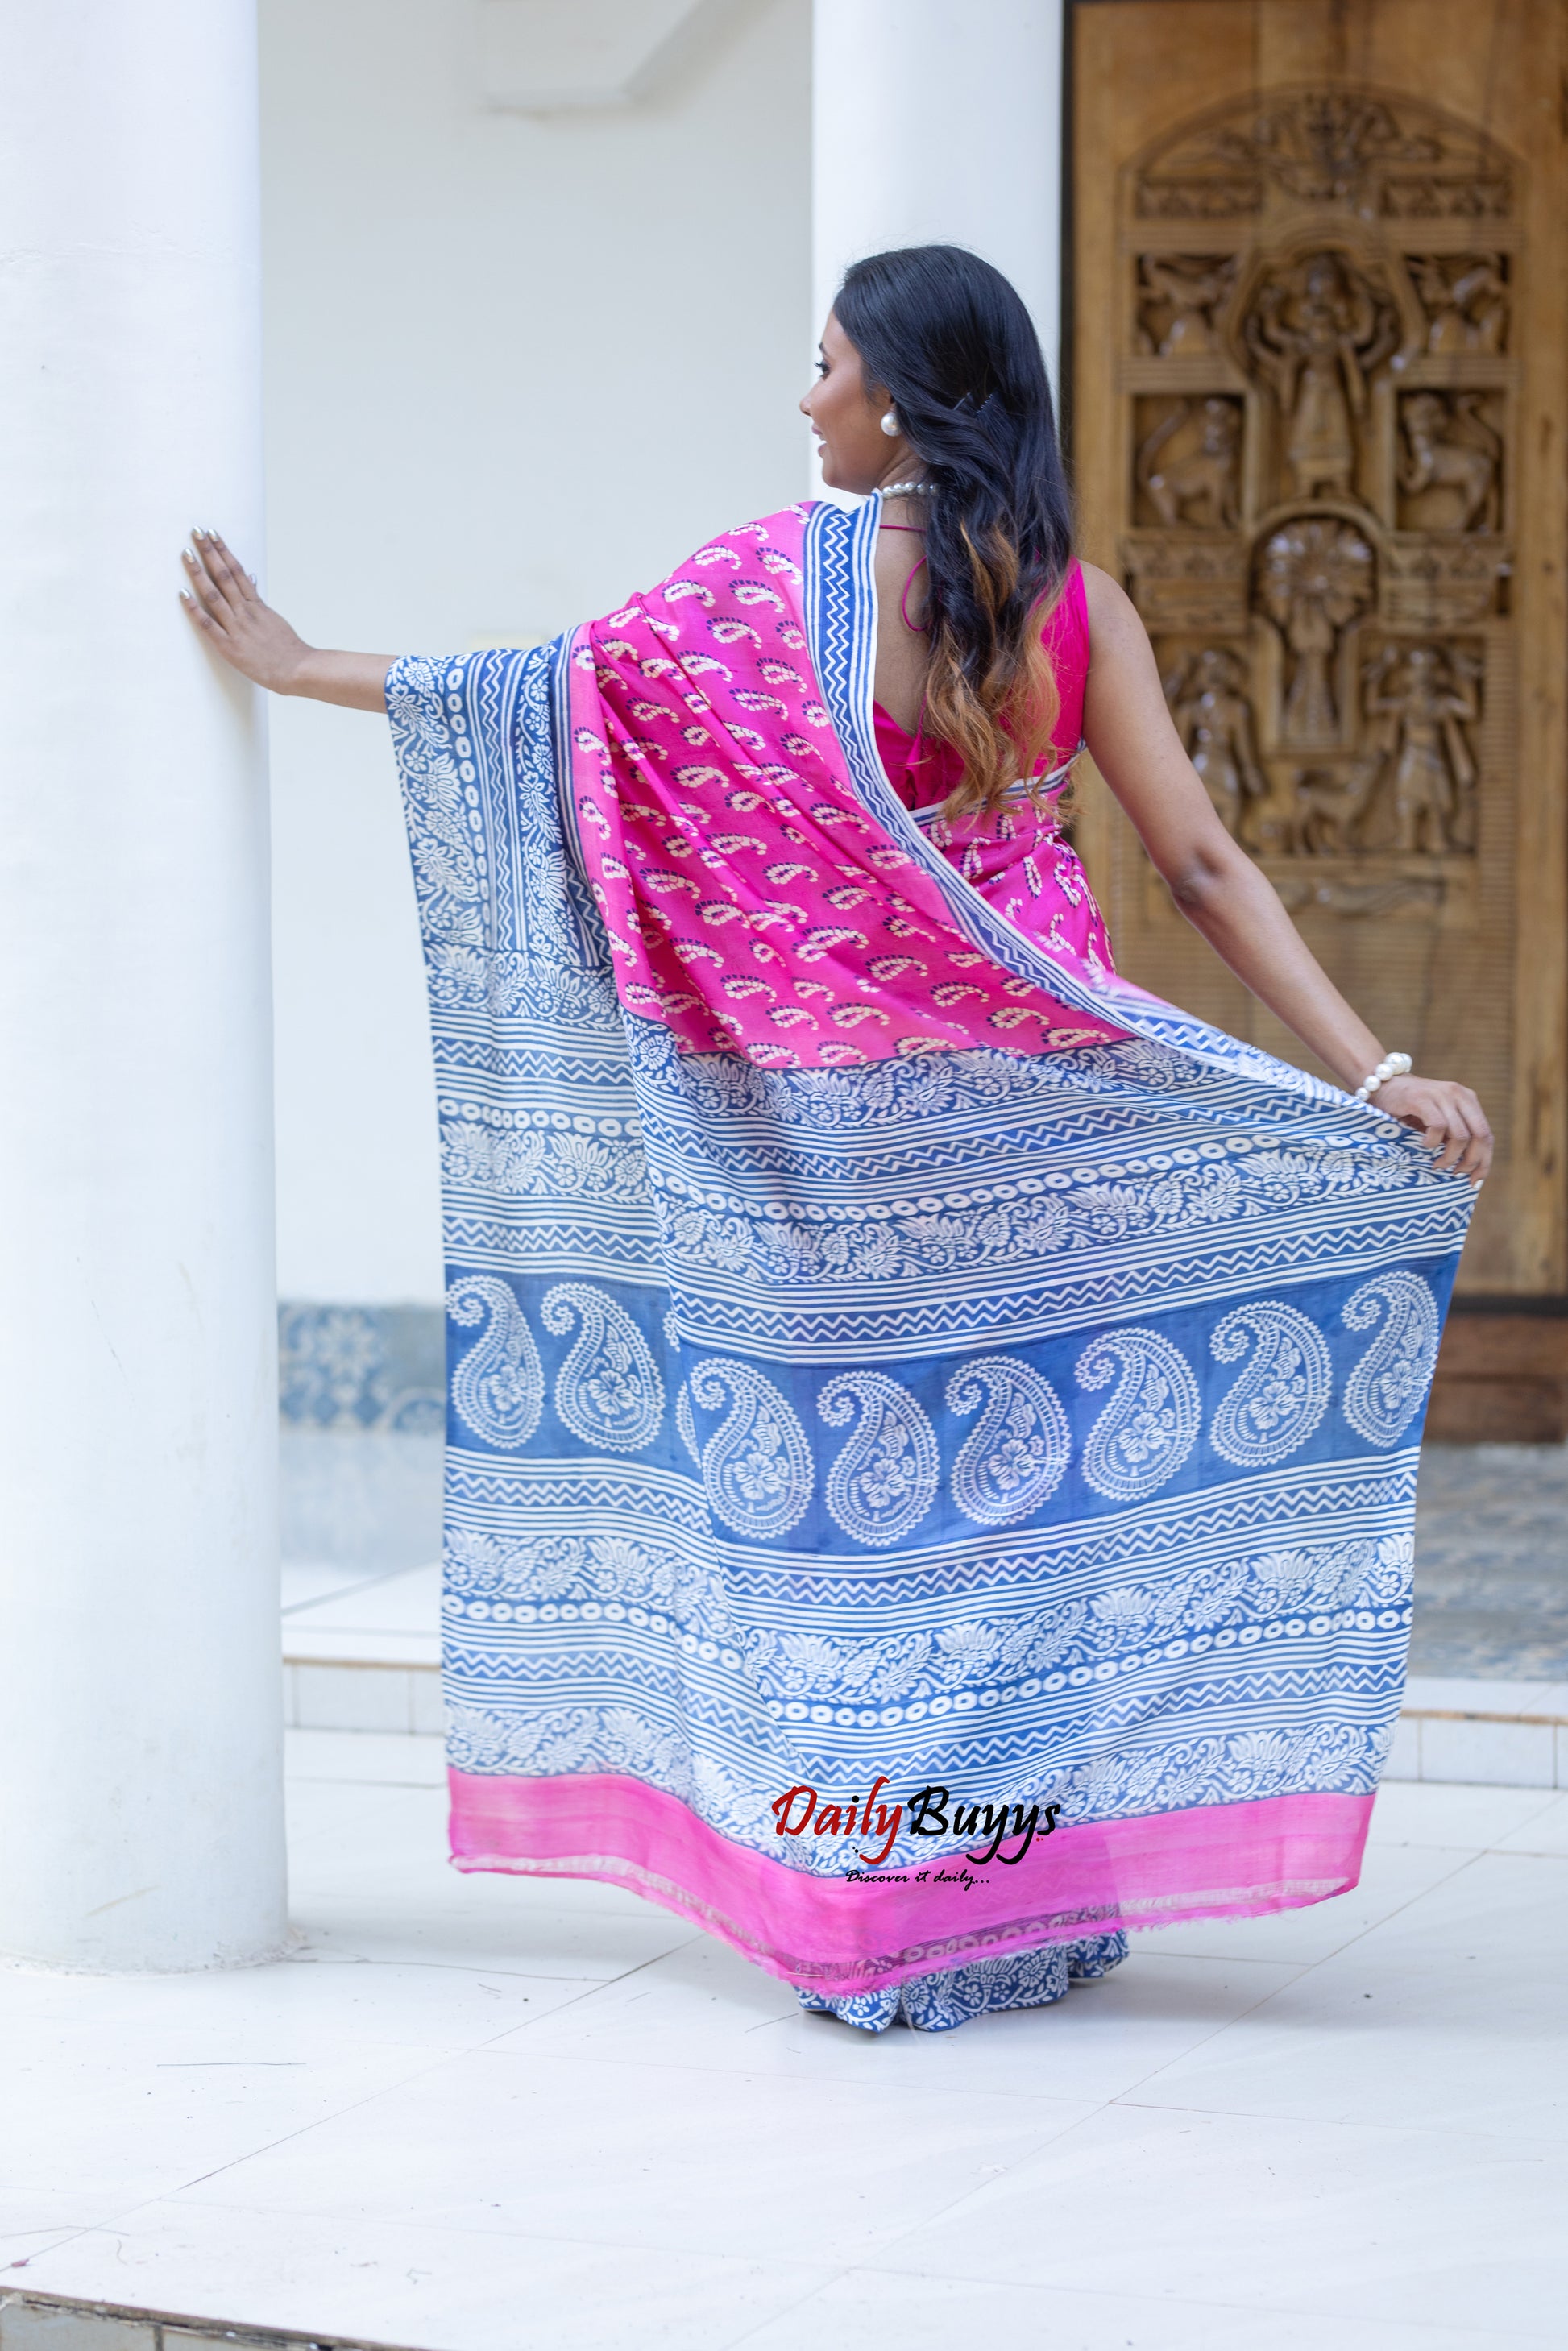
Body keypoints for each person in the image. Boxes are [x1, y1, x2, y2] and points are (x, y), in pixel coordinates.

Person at [181, 245, 1488, 2035]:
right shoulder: (1073, 606)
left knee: (859, 1547)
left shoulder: (757, 591)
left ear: (899, 393)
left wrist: (300, 664)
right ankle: (1011, 1906)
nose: (805, 400)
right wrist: (1369, 1071)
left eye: (823, 365)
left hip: (835, 1165)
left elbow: (538, 701)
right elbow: (1199, 864)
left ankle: (874, 1912)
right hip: (1047, 1139)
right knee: (1029, 1530)